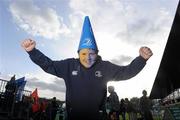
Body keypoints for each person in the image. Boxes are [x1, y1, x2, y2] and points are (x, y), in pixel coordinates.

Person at [21, 16, 153, 120]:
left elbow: (126, 72)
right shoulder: (69, 65)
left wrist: (141, 59)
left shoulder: (105, 67)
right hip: (73, 117)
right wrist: (33, 52)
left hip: (98, 117)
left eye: (92, 53)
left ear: (97, 54)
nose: (88, 57)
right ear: (78, 54)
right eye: (84, 53)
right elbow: (48, 64)